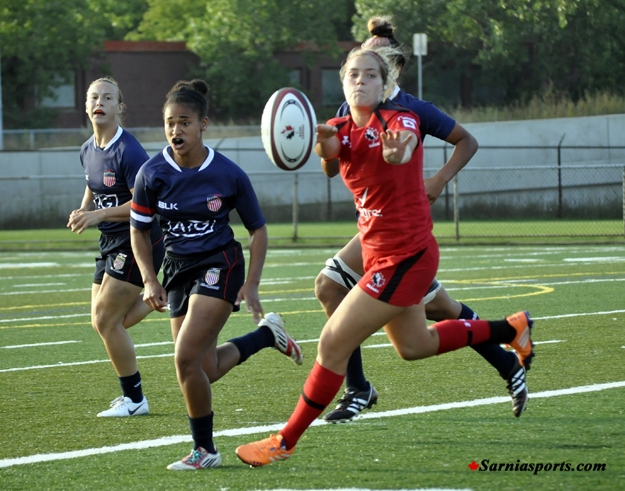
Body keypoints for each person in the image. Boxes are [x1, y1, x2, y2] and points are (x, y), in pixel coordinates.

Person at [235, 45, 535, 467]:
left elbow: (402, 146)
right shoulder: (340, 126)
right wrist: (317, 144)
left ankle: (284, 441)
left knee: (332, 342)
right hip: (379, 251)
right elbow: (331, 157)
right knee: (414, 345)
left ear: (385, 84)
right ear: (343, 83)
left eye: (370, 75)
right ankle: (511, 328)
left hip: (405, 257)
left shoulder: (400, 119)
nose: (361, 80)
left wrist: (398, 152)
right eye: (353, 74)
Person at [317, 16, 528, 423]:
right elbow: (332, 165)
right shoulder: (350, 106)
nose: (363, 74)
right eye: (358, 66)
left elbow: (467, 140)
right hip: (373, 231)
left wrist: (439, 179)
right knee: (334, 288)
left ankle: (507, 358)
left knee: (433, 316)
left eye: (375, 65)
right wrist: (324, 151)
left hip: (405, 237)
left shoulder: (412, 109)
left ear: (392, 70)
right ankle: (359, 388)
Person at [130, 79, 304, 471]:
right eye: (170, 123)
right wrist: (150, 279)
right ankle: (266, 336)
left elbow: (258, 229)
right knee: (204, 368)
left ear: (203, 125)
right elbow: (138, 230)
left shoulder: (228, 173)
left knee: (185, 359)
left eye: (185, 122)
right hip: (177, 270)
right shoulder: (151, 173)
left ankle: (204, 449)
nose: (176, 130)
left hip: (220, 264)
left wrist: (252, 283)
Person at [67, 77, 165, 418]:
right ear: (86, 106)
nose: (100, 102)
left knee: (106, 320)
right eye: (94, 97)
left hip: (137, 240)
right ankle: (165, 294)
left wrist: (98, 215)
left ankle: (135, 400)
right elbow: (93, 185)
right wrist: (84, 210)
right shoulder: (87, 148)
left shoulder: (129, 150)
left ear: (119, 107)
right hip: (110, 240)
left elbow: (143, 204)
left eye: (108, 98)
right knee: (103, 322)